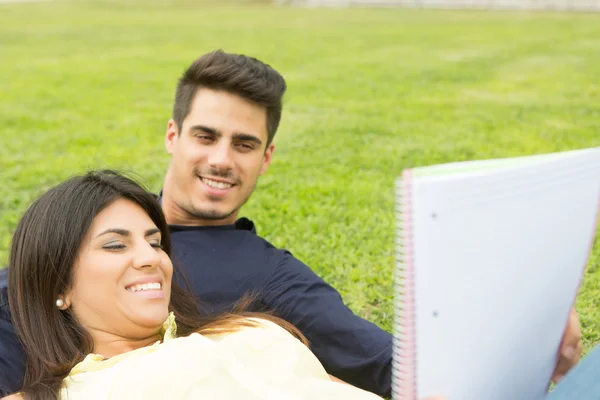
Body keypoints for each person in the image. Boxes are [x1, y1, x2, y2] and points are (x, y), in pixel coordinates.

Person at [0, 50, 582, 397]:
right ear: (174, 136)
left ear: (266, 157)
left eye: (245, 144)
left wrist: (521, 348)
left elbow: (387, 364)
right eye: (206, 136)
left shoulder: (270, 282)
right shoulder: (69, 245)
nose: (222, 159)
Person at [1, 170, 399, 400]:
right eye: (115, 244)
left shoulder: (245, 330)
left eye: (155, 242)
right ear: (59, 286)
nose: (150, 258)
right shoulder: (70, 393)